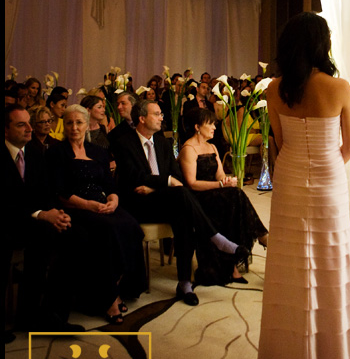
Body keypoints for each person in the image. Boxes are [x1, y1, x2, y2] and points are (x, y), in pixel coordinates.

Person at [257, 12, 350, 359]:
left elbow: (279, 143)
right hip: (329, 180)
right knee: (329, 266)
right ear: (322, 44)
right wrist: (324, 165)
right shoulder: (339, 87)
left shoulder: (275, 89)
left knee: (291, 268)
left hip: (289, 180)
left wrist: (301, 165)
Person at [110, 99, 249, 300]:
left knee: (184, 215)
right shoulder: (124, 142)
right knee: (182, 195)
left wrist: (157, 186)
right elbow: (134, 177)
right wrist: (164, 182)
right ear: (142, 118)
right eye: (156, 114)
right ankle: (216, 238)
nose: (161, 117)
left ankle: (184, 283)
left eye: (161, 114)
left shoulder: (162, 142)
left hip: (163, 199)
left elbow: (178, 177)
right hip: (138, 204)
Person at [45, 104, 146, 324]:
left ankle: (119, 287)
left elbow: (110, 185)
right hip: (76, 206)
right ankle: (109, 298)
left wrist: (113, 200)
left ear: (86, 124)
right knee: (107, 232)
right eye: (69, 122)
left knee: (132, 227)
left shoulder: (98, 152)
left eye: (79, 122)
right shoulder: (57, 152)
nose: (74, 127)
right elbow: (60, 192)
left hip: (101, 205)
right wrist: (88, 205)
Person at [5, 106, 83, 334]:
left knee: (75, 233)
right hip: (9, 221)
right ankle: (28, 317)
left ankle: (54, 312)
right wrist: (42, 214)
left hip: (31, 219)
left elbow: (45, 191)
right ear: (6, 130)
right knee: (43, 235)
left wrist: (57, 212)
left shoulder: (35, 152)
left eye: (30, 123)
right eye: (21, 125)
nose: (30, 128)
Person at [179, 107, 269, 284]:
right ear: (197, 127)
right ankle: (261, 235)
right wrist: (219, 185)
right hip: (198, 198)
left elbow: (220, 174)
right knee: (233, 198)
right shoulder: (188, 149)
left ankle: (232, 265)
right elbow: (192, 183)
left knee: (234, 197)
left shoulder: (212, 146)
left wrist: (226, 181)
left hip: (216, 194)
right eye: (210, 124)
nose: (214, 127)